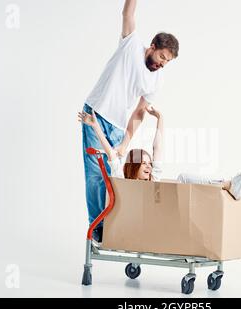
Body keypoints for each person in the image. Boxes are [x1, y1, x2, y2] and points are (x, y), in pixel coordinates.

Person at [81, 0, 179, 243]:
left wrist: (125, 142)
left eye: (167, 61)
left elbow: (139, 112)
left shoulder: (157, 80)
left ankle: (113, 222)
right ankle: (98, 227)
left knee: (114, 178)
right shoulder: (131, 44)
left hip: (117, 127)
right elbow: (128, 11)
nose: (161, 64)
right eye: (161, 57)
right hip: (96, 113)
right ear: (152, 46)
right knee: (95, 174)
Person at [78, 107, 241, 213]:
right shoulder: (121, 184)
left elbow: (157, 148)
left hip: (172, 207)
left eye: (149, 163)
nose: (149, 166)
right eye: (144, 164)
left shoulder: (154, 181)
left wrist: (160, 119)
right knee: (185, 179)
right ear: (132, 167)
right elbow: (113, 156)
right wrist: (95, 126)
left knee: (184, 178)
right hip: (159, 215)